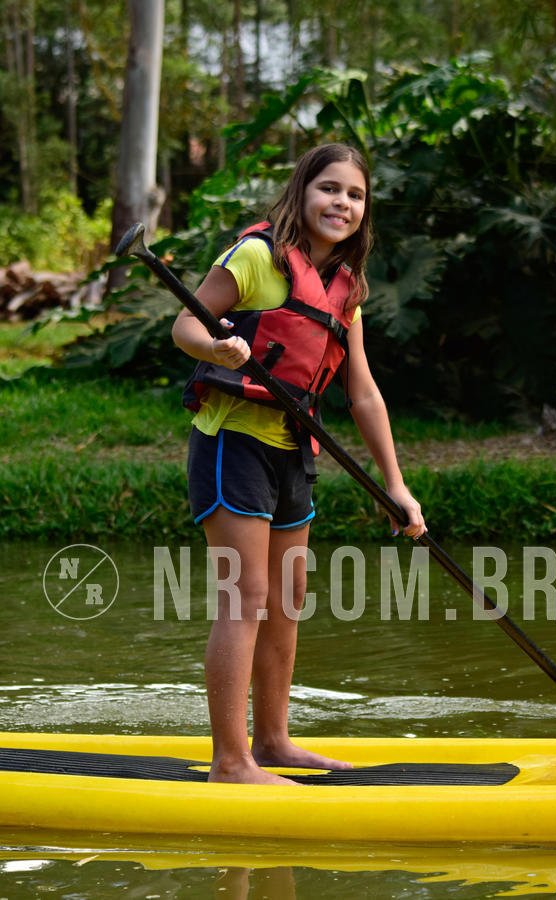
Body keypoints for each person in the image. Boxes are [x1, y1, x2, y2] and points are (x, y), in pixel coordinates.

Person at [172, 143, 427, 786]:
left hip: (294, 451)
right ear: (301, 191)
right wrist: (217, 349)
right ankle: (230, 761)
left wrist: (396, 486)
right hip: (233, 442)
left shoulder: (348, 288)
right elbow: (185, 326)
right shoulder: (255, 257)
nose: (342, 203)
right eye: (329, 188)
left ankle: (273, 742)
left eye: (355, 195)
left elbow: (363, 394)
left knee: (287, 600)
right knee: (246, 596)